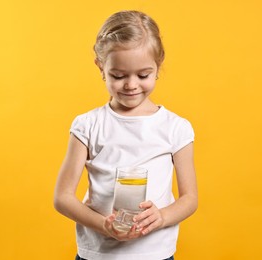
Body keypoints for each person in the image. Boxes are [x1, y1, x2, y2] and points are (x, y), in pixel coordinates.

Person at [54, 10, 198, 260]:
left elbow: (190, 198)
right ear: (101, 66)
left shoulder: (176, 128)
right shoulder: (88, 125)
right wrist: (104, 225)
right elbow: (63, 197)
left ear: (158, 66)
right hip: (98, 254)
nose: (131, 85)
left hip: (155, 254)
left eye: (143, 75)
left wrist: (162, 216)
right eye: (118, 76)